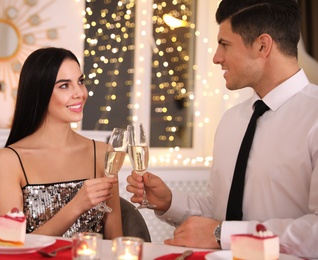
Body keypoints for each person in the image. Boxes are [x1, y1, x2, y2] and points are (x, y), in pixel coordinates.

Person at [126, 0, 318, 258]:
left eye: (224, 44)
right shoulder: (232, 120)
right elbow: (222, 212)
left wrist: (222, 235)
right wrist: (170, 202)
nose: (217, 57)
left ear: (263, 45)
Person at [0, 47, 123, 239]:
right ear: (39, 93)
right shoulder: (7, 160)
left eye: (80, 82)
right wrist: (76, 206)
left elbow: (116, 240)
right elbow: (11, 243)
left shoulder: (102, 152)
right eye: (64, 86)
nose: (80, 93)